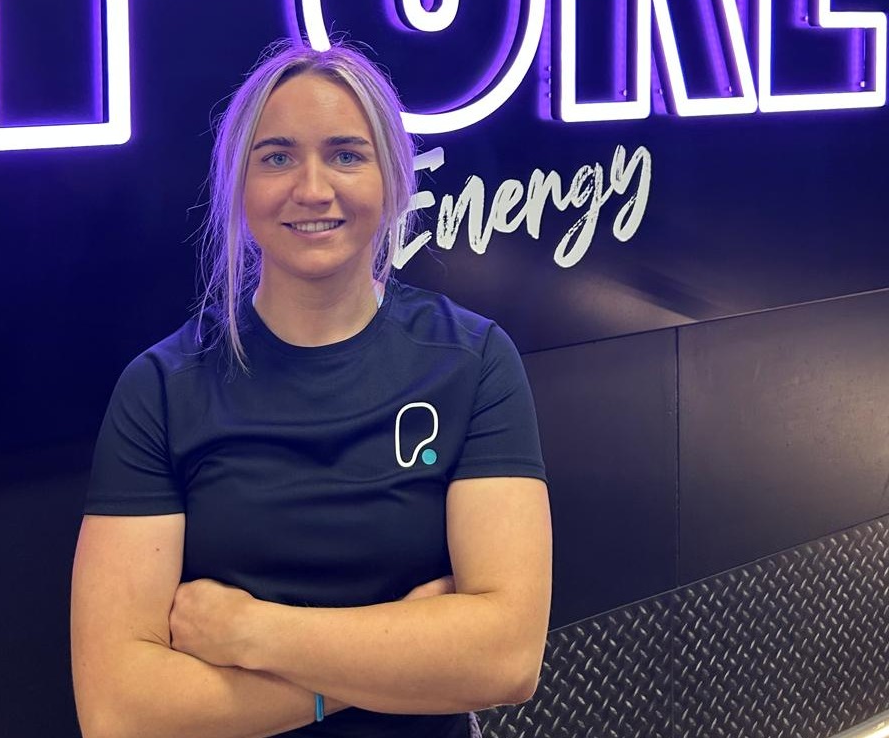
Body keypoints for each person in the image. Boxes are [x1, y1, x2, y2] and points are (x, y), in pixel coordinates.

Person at [70, 41, 552, 738]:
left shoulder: (472, 362)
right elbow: (120, 713)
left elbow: (506, 659)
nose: (313, 189)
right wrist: (405, 658)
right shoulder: (162, 389)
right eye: (277, 157)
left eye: (347, 155)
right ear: (239, 185)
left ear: (393, 180)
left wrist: (252, 632)